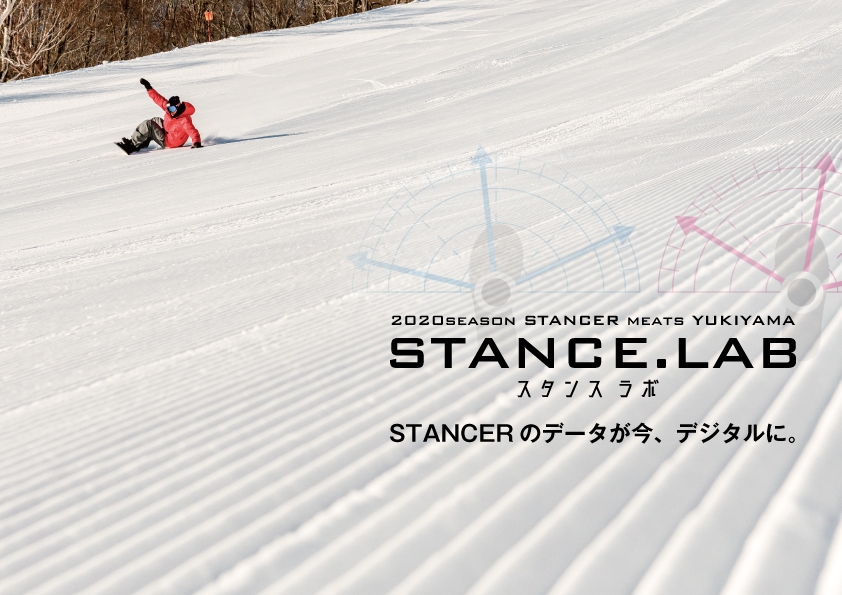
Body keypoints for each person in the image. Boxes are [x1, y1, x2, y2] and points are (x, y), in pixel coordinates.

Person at [116, 78, 202, 154]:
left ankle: (132, 145)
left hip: (170, 142)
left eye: (172, 109)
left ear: (178, 107)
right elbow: (158, 99)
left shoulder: (184, 119)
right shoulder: (171, 111)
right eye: (169, 109)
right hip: (168, 134)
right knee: (155, 120)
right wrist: (148, 87)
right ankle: (143, 142)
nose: (170, 112)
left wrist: (196, 143)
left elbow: (192, 131)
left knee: (148, 124)